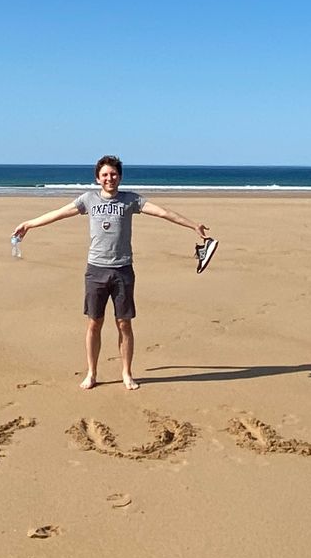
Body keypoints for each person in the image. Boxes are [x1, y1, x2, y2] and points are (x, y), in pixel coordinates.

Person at [13, 155, 210, 390]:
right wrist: (29, 224)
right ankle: (92, 373)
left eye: (114, 174)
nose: (110, 178)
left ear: (120, 177)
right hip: (95, 270)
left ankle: (127, 373)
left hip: (123, 270)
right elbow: (59, 212)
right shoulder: (88, 199)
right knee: (94, 323)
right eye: (105, 174)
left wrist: (192, 225)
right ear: (98, 178)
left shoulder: (130, 200)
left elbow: (162, 212)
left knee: (124, 323)